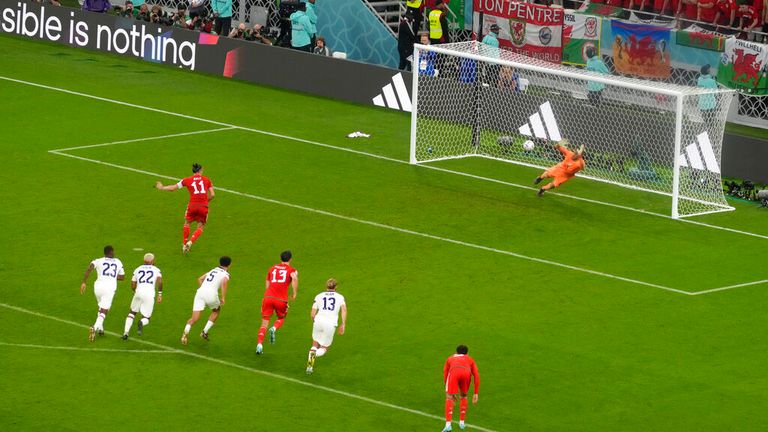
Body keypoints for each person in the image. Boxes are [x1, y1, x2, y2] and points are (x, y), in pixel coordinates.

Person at [155, 163, 215, 255]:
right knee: (201, 226)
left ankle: (184, 244)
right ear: (201, 170)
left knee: (187, 223)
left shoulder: (187, 180)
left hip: (192, 205)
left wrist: (162, 187)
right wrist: (206, 201)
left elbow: (173, 188)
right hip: (203, 205)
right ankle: (190, 242)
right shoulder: (207, 180)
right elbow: (213, 194)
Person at [181, 256, 231, 345]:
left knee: (194, 318)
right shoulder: (225, 274)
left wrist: (204, 289)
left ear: (220, 263)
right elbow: (224, 283)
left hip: (200, 293)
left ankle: (184, 335)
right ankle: (204, 332)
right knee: (216, 311)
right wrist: (223, 297)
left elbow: (200, 279)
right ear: (229, 265)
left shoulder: (213, 270)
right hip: (211, 294)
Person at [256, 251, 298, 355]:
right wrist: (294, 292)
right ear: (290, 259)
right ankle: (274, 328)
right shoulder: (291, 270)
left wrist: (268, 294)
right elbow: (294, 278)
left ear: (280, 258)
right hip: (281, 300)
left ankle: (259, 344)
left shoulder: (272, 268)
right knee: (281, 318)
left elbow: (267, 283)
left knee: (264, 322)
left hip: (268, 297)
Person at [80, 245, 125, 342]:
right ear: (111, 252)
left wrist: (84, 282)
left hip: (98, 287)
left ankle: (101, 329)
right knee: (104, 310)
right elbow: (122, 277)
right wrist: (112, 277)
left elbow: (89, 269)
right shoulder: (118, 261)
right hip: (109, 288)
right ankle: (94, 328)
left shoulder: (98, 260)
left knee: (101, 308)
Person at [306, 278, 347, 374]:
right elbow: (344, 310)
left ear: (326, 286)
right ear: (336, 287)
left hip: (318, 320)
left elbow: (312, 313)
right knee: (325, 347)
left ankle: (309, 366)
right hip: (330, 323)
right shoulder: (340, 297)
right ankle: (313, 355)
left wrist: (314, 321)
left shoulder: (319, 296)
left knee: (315, 344)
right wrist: (343, 324)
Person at [122, 253, 162, 340]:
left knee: (132, 312)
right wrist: (160, 294)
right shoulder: (156, 270)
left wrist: (135, 292)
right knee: (146, 318)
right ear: (152, 261)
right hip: (149, 294)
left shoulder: (137, 269)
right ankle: (141, 322)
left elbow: (133, 284)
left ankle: (125, 333)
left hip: (138, 292)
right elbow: (160, 282)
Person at [442, 345, 480, 432]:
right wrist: (476, 393)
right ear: (467, 353)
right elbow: (476, 375)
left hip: (454, 372)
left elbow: (445, 373)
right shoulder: (470, 359)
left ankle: (448, 425)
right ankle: (462, 422)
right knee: (463, 396)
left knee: (449, 397)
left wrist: (449, 391)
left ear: (456, 352)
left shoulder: (450, 358)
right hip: (466, 373)